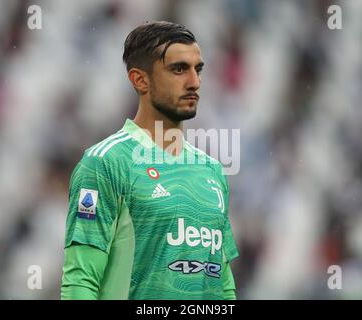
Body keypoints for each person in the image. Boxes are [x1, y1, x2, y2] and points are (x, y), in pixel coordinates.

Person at [61, 21, 239, 299]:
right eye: (179, 69)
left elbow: (223, 284)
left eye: (198, 69)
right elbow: (80, 282)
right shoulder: (106, 163)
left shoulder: (212, 171)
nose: (194, 82)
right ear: (140, 79)